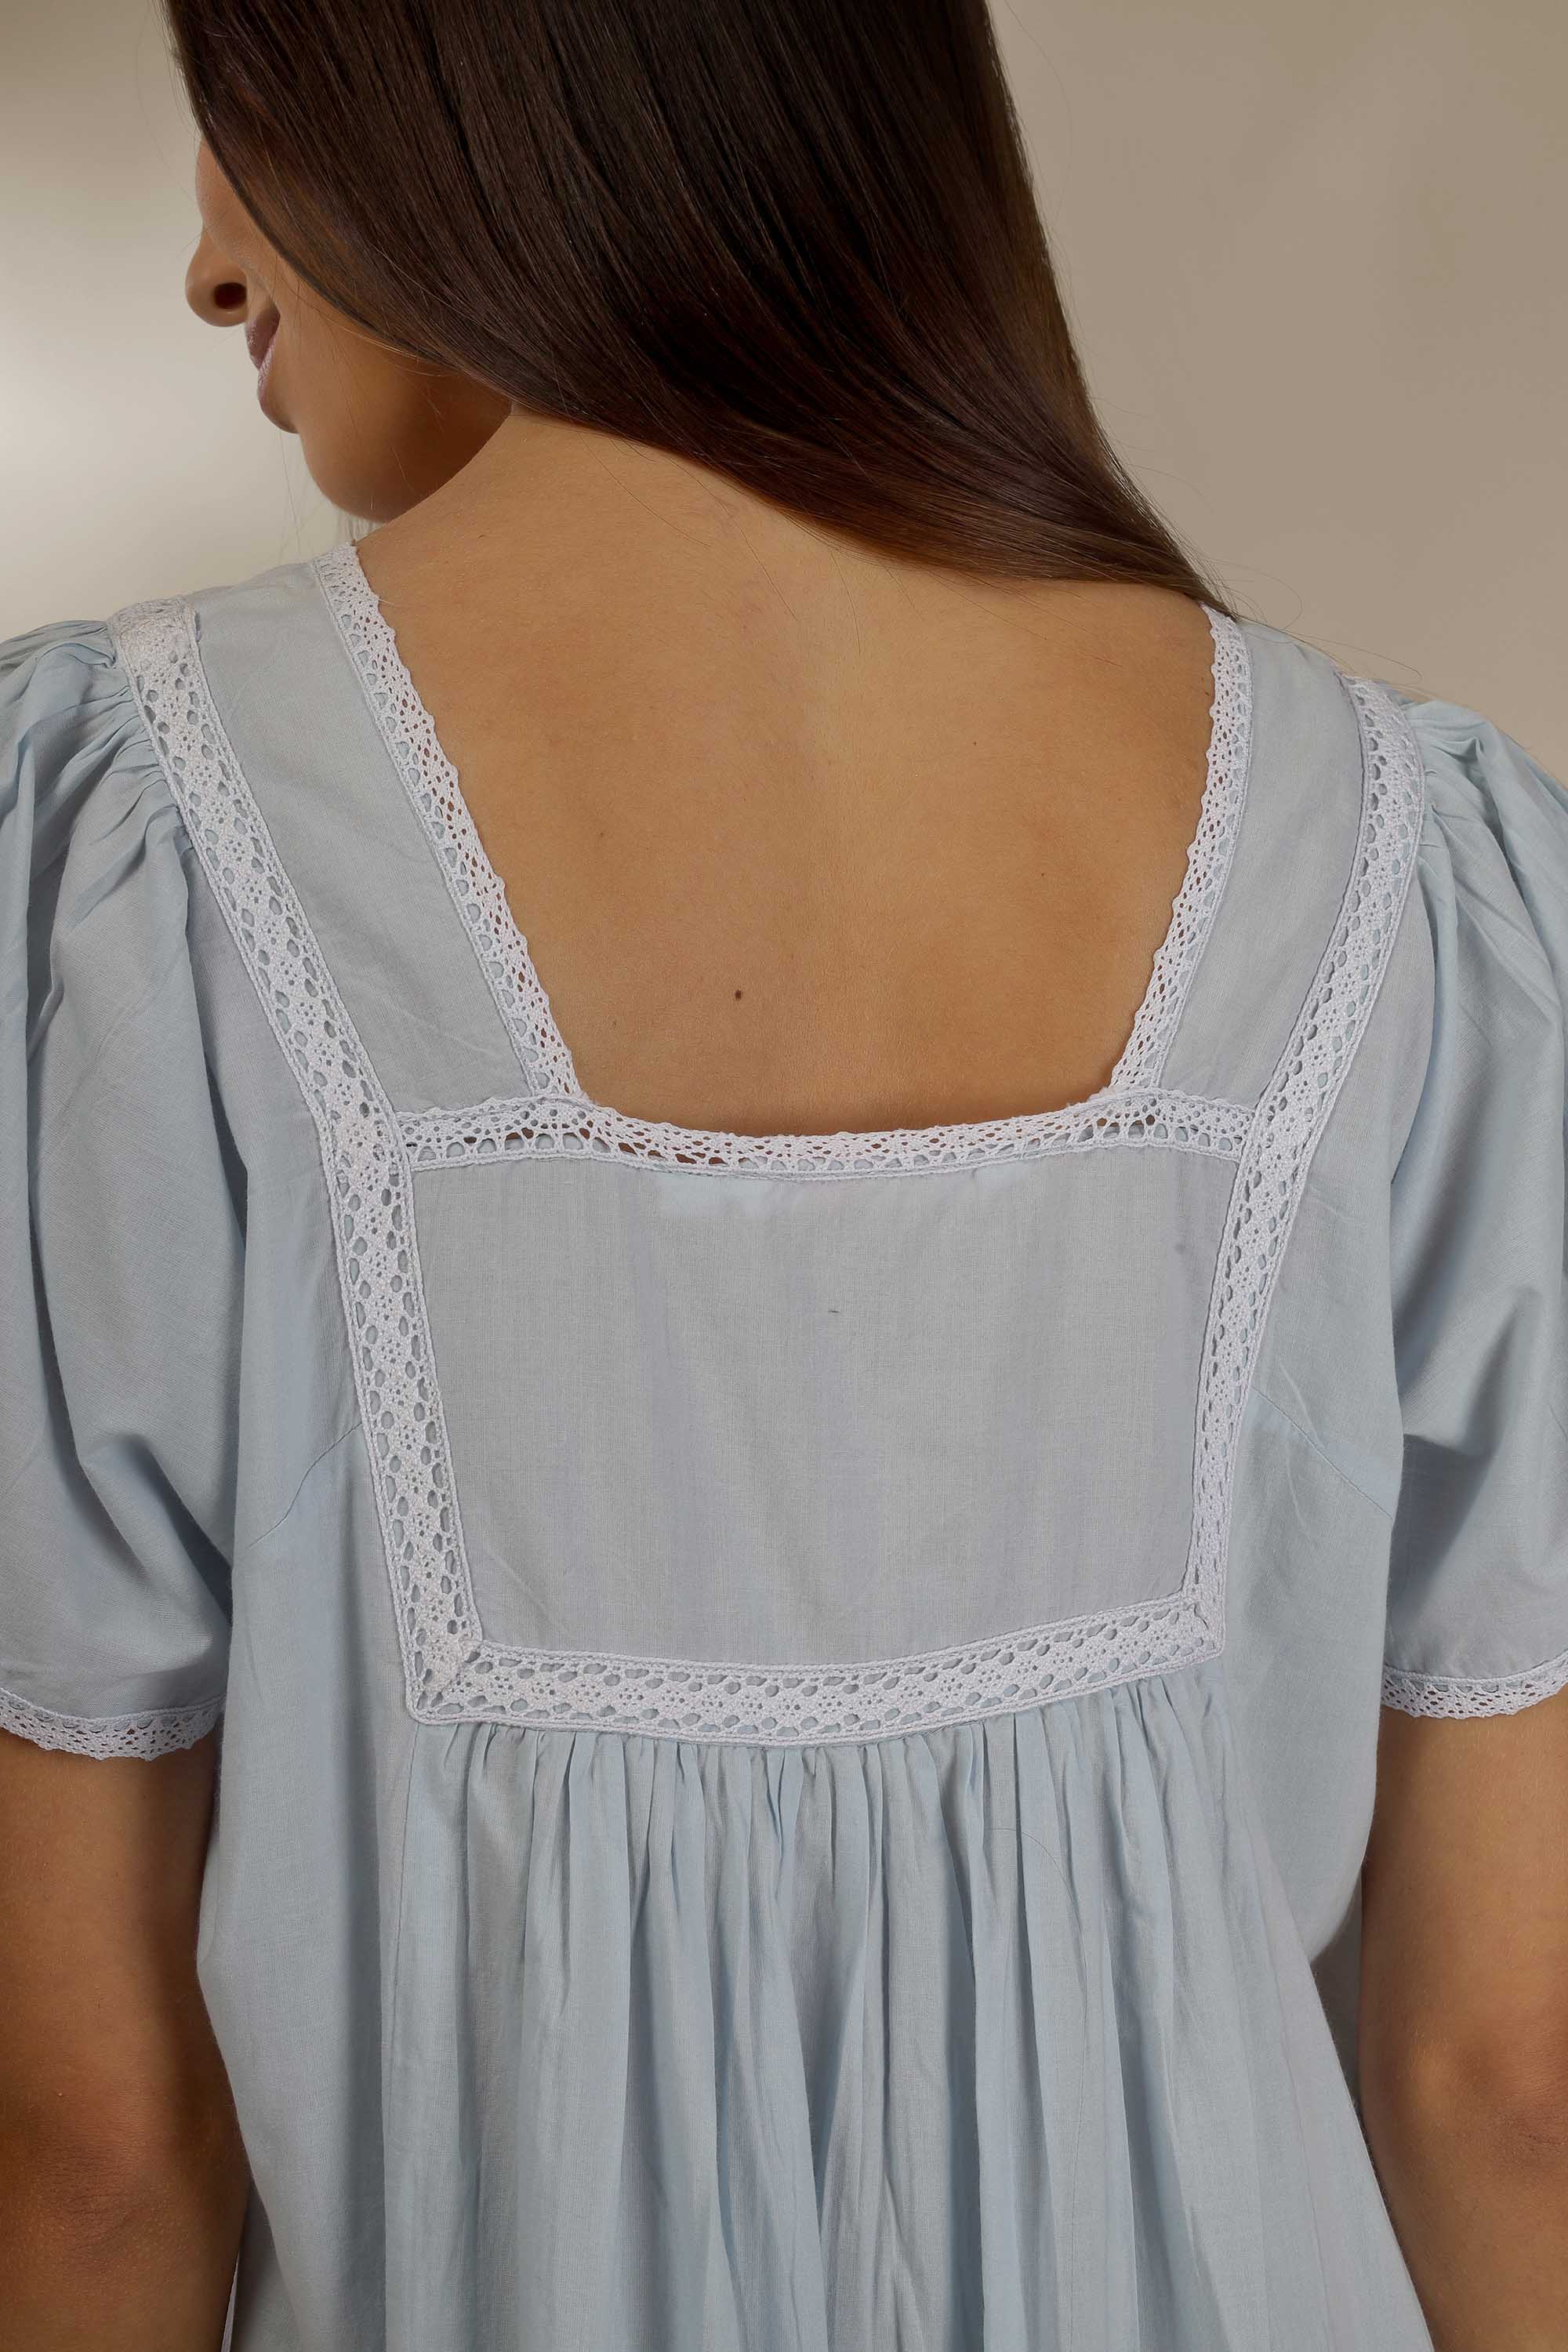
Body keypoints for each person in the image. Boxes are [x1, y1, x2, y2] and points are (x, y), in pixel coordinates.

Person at [2, 3, 1565, 2347]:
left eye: (232, 103)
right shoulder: (1419, 872)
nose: (212, 262)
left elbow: (92, 2141)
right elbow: (1506, 2087)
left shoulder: (126, 858)